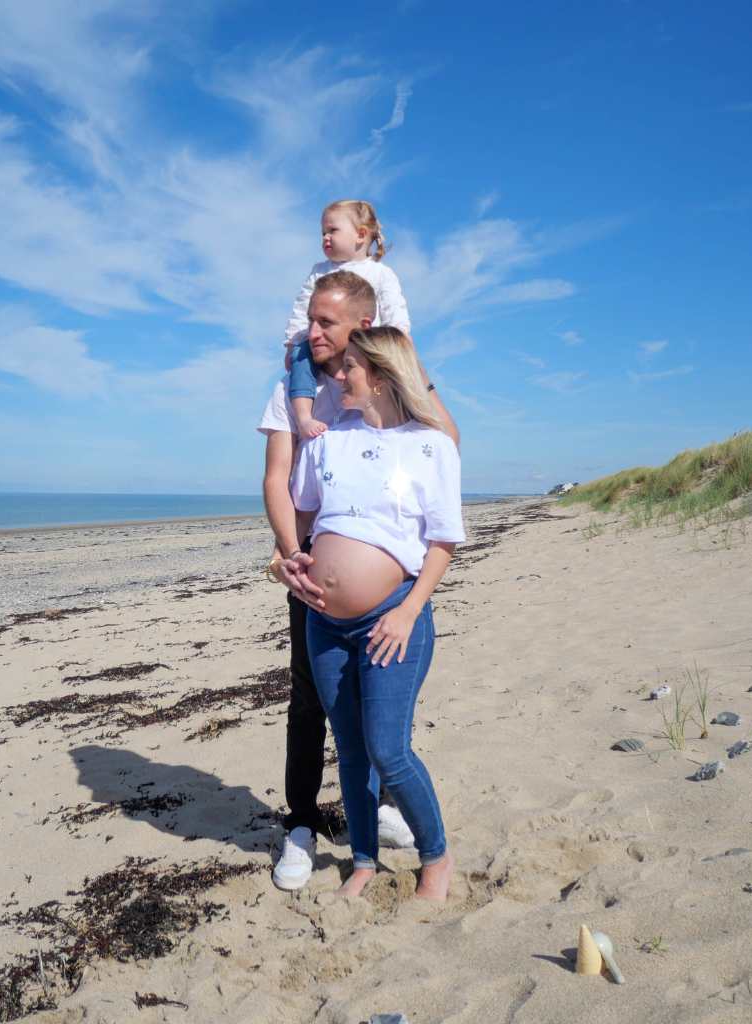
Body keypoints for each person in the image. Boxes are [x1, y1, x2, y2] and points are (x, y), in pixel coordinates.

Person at [257, 271, 458, 892]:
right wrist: (285, 557)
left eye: (327, 326)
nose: (311, 337)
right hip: (321, 614)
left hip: (390, 616)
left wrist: (406, 611)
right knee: (336, 737)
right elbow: (298, 502)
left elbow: (444, 534)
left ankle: (434, 856)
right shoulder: (320, 431)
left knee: (387, 747)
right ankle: (352, 853)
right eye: (310, 321)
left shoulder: (427, 443)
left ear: (369, 354)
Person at [285, 200, 410, 440]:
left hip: (366, 343)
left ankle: (394, 417)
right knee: (301, 356)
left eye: (332, 230)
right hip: (326, 347)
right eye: (323, 233)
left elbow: (394, 306)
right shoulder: (319, 270)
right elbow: (302, 307)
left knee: (390, 370)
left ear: (361, 234)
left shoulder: (380, 272)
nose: (325, 238)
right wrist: (293, 341)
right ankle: (303, 415)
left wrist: (400, 334)